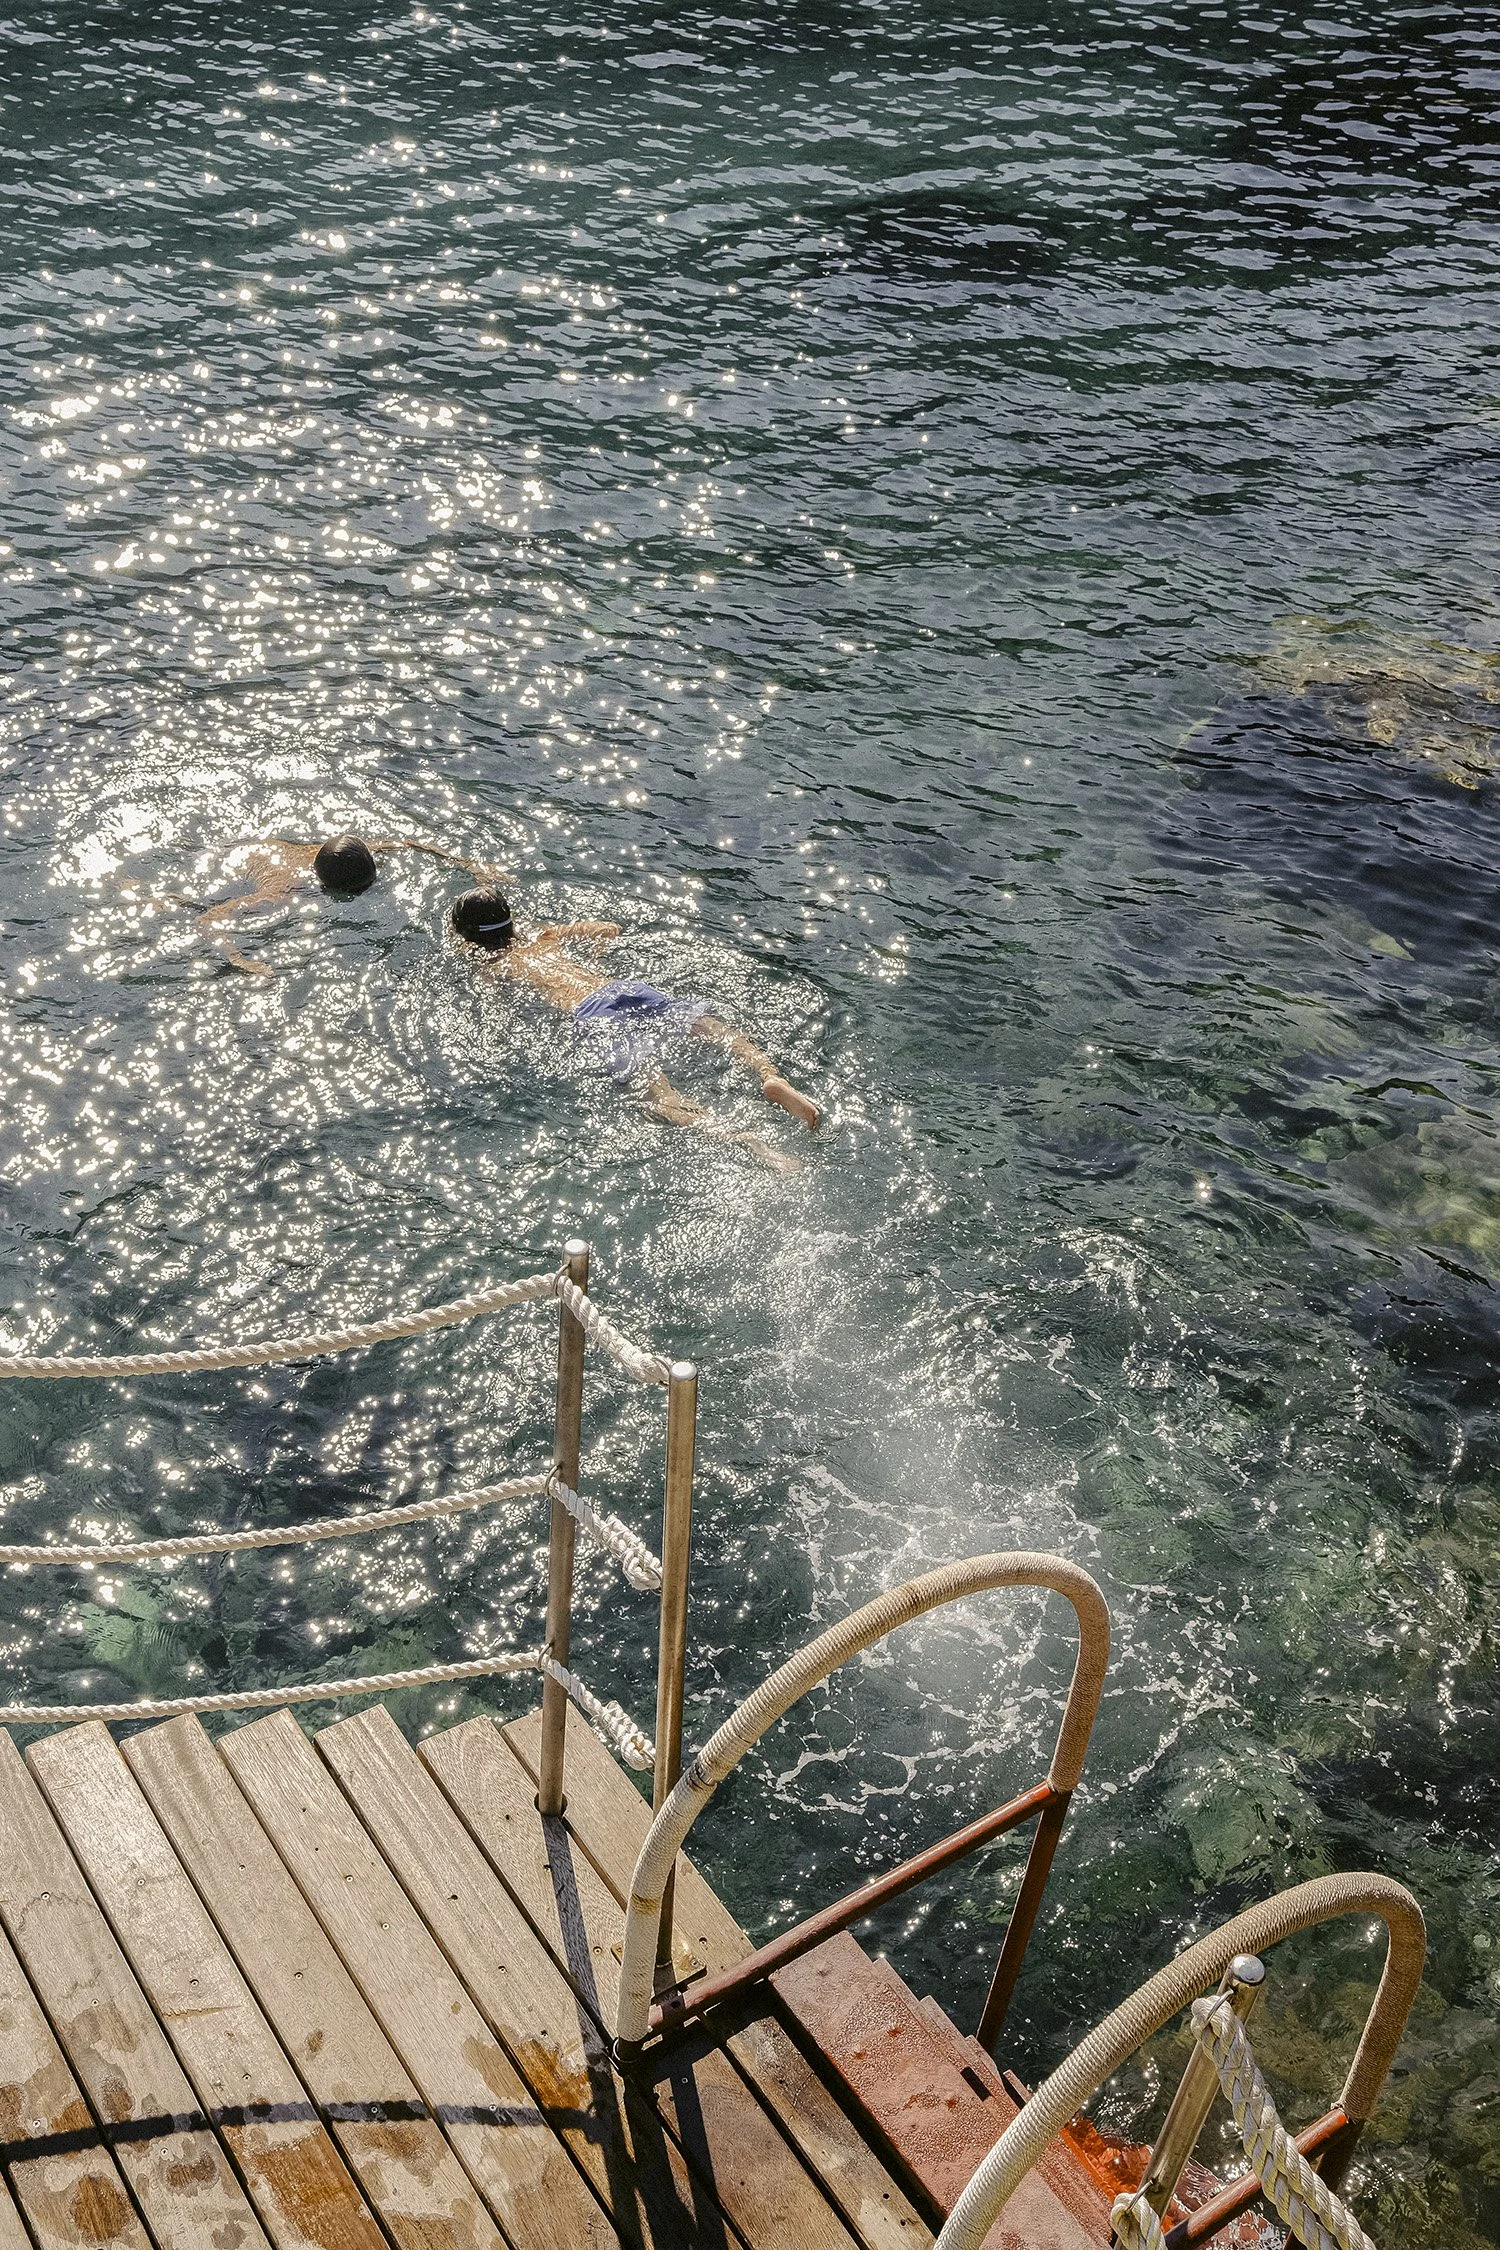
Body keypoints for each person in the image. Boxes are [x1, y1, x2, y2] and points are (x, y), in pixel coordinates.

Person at [449, 882, 821, 1163]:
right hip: (620, 988)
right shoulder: (544, 935)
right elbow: (607, 927)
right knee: (711, 1028)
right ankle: (769, 1074)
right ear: (511, 920)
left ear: (468, 937)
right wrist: (599, 945)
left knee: (660, 1100)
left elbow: (500, 1012)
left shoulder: (494, 969)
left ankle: (746, 1140)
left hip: (592, 1015)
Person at [183, 834, 501, 974]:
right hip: (210, 869)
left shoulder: (343, 851)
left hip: (253, 850)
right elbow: (208, 920)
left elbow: (407, 843)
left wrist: (472, 865)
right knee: (181, 905)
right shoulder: (281, 891)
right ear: (325, 888)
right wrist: (241, 961)